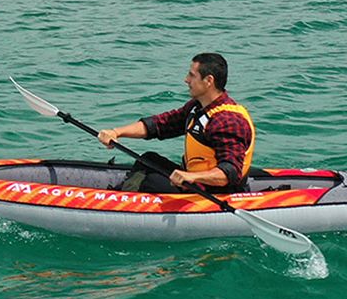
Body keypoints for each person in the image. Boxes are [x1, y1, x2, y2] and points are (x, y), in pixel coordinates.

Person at [97, 52, 255, 194]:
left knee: (150, 181)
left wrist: (192, 177)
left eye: (192, 75)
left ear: (208, 81)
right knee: (148, 159)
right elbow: (160, 125)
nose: (186, 80)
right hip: (193, 182)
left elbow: (230, 173)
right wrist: (117, 132)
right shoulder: (197, 106)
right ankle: (123, 194)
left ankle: (121, 201)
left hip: (212, 192)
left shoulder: (227, 120)